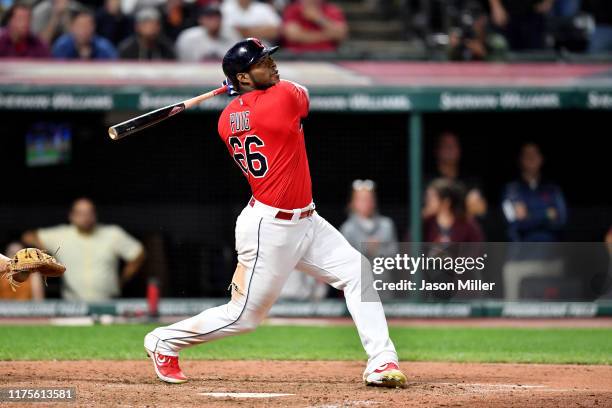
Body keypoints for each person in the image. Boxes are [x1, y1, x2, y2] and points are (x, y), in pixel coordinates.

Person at [144, 38, 407, 388]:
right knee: (244, 317)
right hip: (270, 228)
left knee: (357, 271)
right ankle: (164, 340)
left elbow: (249, 108)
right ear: (245, 77)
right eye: (261, 61)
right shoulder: (281, 99)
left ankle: (381, 361)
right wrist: (243, 87)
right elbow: (302, 94)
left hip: (307, 220)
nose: (272, 64)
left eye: (269, 57)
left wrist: (241, 88)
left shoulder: (225, 120)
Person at [22, 197, 145, 301]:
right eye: (80, 213)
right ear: (72, 216)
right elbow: (28, 236)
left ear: (95, 215)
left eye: (89, 213)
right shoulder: (61, 235)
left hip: (108, 301)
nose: (85, 217)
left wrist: (122, 280)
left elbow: (138, 253)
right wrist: (45, 255)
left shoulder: (112, 234)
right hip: (72, 304)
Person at [501, 142, 567, 300]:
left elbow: (560, 221)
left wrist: (529, 214)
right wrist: (546, 214)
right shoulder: (511, 190)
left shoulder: (552, 189)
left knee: (554, 312)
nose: (531, 159)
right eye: (526, 155)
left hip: (550, 259)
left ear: (541, 159)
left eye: (534, 155)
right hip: (519, 260)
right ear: (520, 160)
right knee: (512, 310)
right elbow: (515, 223)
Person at [425, 132, 487, 221]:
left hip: (462, 231)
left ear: (459, 150)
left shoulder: (470, 181)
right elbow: (425, 212)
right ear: (437, 150)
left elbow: (481, 209)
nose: (450, 149)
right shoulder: (428, 181)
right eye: (446, 145)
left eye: (453, 145)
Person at [340, 179, 398, 259]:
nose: (367, 203)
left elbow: (394, 253)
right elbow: (345, 258)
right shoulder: (347, 228)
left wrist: (378, 250)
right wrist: (366, 247)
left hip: (381, 270)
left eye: (369, 198)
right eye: (362, 200)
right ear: (354, 202)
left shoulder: (386, 224)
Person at [423, 178, 484, 243]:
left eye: (431, 198)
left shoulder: (466, 223)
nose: (427, 201)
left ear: (446, 202)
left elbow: (479, 248)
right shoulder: (426, 222)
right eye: (427, 197)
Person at [282, 0, 347, 53]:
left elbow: (340, 34)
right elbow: (293, 36)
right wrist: (328, 34)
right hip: (297, 56)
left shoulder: (332, 10)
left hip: (327, 55)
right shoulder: (293, 9)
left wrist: (318, 18)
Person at [488, 0, 554, 50]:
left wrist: (548, 1)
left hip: (534, 12)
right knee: (504, 52)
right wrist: (496, 6)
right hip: (506, 13)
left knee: (536, 52)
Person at [52, 9, 117, 59]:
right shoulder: (62, 46)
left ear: (93, 28)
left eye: (87, 26)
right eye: (80, 26)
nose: (83, 30)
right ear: (72, 27)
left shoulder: (105, 48)